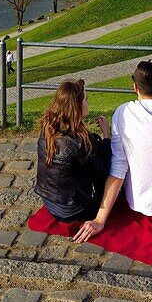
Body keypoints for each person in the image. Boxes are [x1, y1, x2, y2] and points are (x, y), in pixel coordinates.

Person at [74, 60, 152, 243]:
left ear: (135, 87)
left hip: (138, 201)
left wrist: (99, 219)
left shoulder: (122, 112)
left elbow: (119, 167)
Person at [35, 78, 112, 223]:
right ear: (77, 106)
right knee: (115, 176)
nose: (88, 102)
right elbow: (102, 173)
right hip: (74, 211)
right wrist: (106, 136)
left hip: (48, 202)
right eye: (86, 99)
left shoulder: (47, 127)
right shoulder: (81, 141)